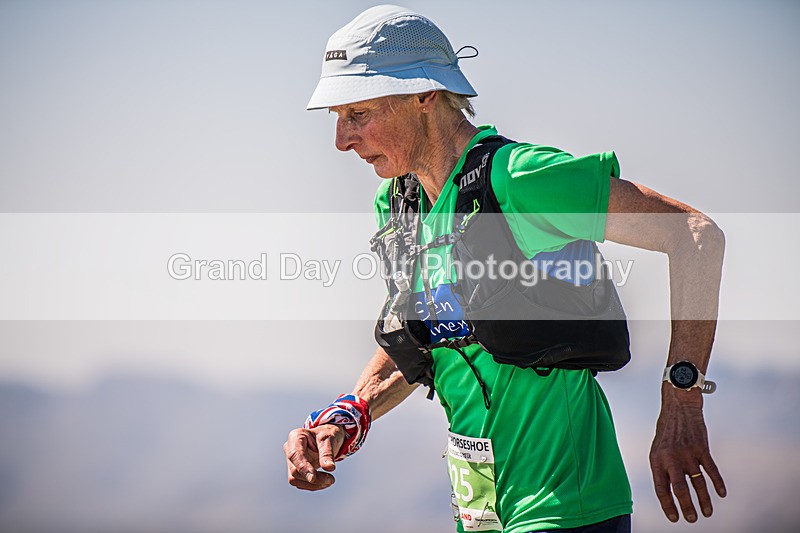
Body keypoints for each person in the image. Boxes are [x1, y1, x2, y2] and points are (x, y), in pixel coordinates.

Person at [284, 5, 726, 532]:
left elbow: (695, 237)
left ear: (424, 95)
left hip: (566, 509)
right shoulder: (399, 204)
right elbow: (427, 334)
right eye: (337, 119)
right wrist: (348, 414)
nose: (342, 139)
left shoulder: (519, 180)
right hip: (481, 517)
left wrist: (681, 402)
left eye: (358, 114)